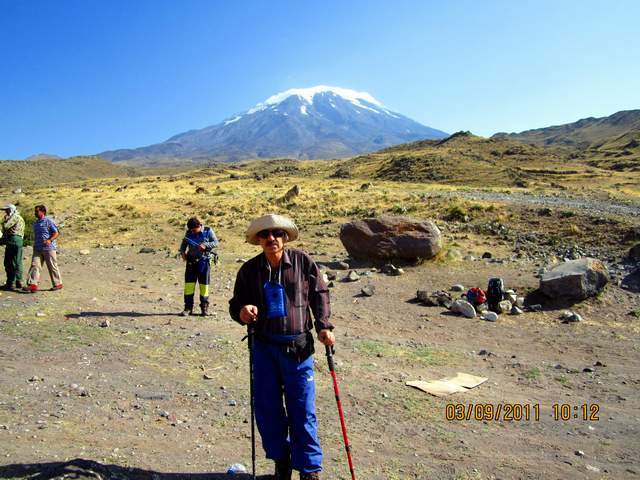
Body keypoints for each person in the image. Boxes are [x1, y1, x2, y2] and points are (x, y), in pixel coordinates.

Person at [229, 214, 335, 480]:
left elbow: (319, 294)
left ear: (285, 237)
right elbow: (236, 303)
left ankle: (309, 469)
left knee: (303, 410)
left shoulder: (303, 262)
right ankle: (281, 461)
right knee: (268, 410)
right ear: (258, 241)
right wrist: (242, 311)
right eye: (265, 235)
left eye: (276, 233)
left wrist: (324, 326)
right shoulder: (249, 270)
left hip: (298, 348)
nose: (271, 239)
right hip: (264, 348)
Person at [178, 216, 219, 317]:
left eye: (194, 230)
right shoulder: (189, 233)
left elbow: (216, 243)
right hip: (191, 263)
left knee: (204, 286)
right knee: (189, 286)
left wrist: (206, 245)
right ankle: (188, 308)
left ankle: (204, 309)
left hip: (204, 262)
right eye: (191, 230)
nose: (193, 232)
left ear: (199, 226)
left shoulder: (208, 231)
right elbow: (183, 244)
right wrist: (182, 252)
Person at [24, 204, 62, 292]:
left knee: (52, 266)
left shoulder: (49, 221)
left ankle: (58, 284)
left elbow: (56, 233)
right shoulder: (35, 223)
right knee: (35, 265)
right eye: (35, 211)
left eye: (37, 211)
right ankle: (32, 285)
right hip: (37, 248)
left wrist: (49, 240)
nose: (35, 213)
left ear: (43, 212)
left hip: (49, 248)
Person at [0, 204, 25, 290]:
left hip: (13, 239)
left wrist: (4, 220)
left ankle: (11, 282)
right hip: (19, 240)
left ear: (11, 210)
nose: (5, 212)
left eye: (7, 210)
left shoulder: (14, 217)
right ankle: (19, 281)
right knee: (17, 261)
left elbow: (6, 227)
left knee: (9, 261)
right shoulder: (20, 218)